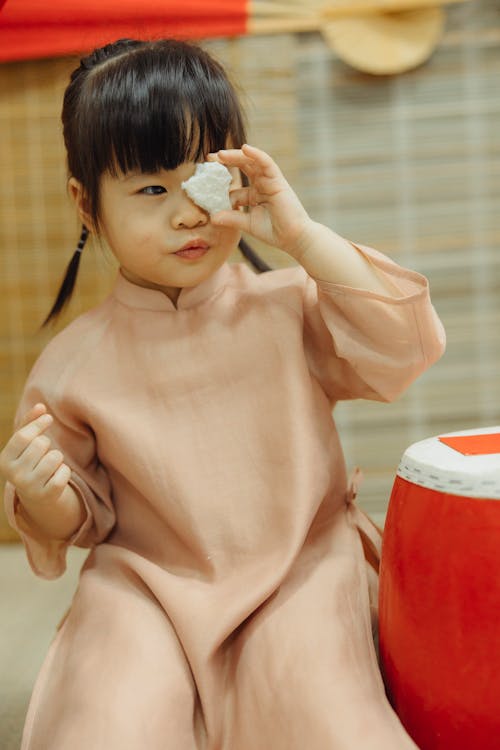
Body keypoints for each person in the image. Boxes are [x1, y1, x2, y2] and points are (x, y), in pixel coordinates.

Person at [0, 38, 445, 750]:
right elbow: (73, 518)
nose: (187, 215)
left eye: (202, 178)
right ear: (87, 205)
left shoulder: (289, 304)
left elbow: (402, 346)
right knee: (105, 718)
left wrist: (300, 237)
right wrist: (43, 493)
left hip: (299, 564)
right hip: (146, 586)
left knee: (320, 712)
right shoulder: (73, 362)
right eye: (151, 189)